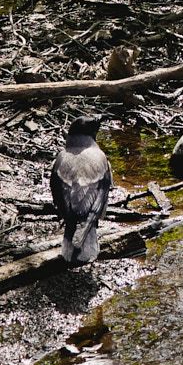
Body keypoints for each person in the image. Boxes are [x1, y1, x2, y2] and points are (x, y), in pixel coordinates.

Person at [49, 111, 112, 265]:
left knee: (76, 229)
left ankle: (74, 238)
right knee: (83, 230)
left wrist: (70, 219)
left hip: (68, 208)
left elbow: (57, 194)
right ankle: (83, 240)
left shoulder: (61, 159)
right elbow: (100, 197)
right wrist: (89, 221)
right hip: (90, 208)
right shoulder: (100, 158)